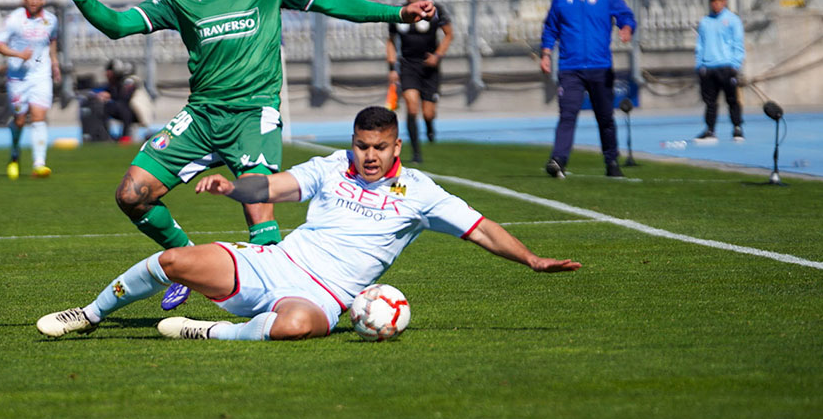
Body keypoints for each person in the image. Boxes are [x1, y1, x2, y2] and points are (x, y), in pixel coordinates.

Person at [38, 0, 435, 311]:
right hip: (202, 116)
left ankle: (285, 302)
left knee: (258, 210)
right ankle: (188, 261)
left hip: (252, 114)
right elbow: (119, 26)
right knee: (131, 194)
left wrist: (396, 14)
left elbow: (331, 1)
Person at [36, 106, 579, 342]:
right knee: (175, 261)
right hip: (276, 263)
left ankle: (212, 331)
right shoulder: (329, 167)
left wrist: (531, 258)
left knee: (296, 328)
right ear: (353, 142)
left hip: (327, 296)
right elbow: (273, 187)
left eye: (379, 147)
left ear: (395, 145)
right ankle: (88, 313)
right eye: (361, 146)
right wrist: (233, 187)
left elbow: (481, 228)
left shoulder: (420, 192)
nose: (368, 156)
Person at [539, 0, 636, 179]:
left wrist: (627, 27)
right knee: (567, 114)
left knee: (605, 117)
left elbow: (625, 15)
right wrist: (545, 53)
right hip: (570, 67)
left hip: (600, 66)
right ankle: (559, 160)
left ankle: (611, 161)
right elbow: (550, 28)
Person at [0, 0, 60, 179]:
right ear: (24, 0)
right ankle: (14, 154)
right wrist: (18, 55)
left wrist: (54, 62)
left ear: (42, 0)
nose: (33, 2)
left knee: (39, 116)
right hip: (17, 78)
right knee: (20, 119)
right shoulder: (14, 19)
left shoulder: (51, 20)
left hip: (40, 75)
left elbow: (52, 40)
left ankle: (39, 164)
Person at [386, 0, 454, 164]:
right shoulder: (398, 13)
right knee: (411, 104)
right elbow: (390, 42)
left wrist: (437, 56)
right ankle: (416, 154)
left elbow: (449, 34)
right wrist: (392, 68)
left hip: (429, 65)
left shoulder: (435, 9)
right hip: (408, 65)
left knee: (428, 112)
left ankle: (430, 125)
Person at [694, 0, 745, 142]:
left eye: (718, 1)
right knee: (710, 102)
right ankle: (710, 130)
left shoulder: (732, 20)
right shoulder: (705, 22)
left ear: (724, 1)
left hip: (726, 66)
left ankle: (737, 128)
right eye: (713, 1)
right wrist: (699, 65)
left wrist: (735, 64)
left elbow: (738, 44)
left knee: (732, 99)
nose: (715, 4)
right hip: (708, 67)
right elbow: (700, 45)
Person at [79, 59, 155, 144]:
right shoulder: (116, 83)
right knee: (105, 107)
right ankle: (105, 136)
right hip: (129, 111)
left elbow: (125, 98)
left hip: (138, 112)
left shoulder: (131, 81)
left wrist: (109, 96)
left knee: (123, 108)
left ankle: (125, 137)